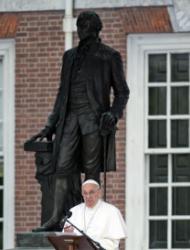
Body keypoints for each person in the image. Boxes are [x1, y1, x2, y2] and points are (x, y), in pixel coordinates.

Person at [33, 11, 129, 231]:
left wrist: (113, 114)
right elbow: (61, 94)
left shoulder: (109, 56)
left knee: (91, 172)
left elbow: (122, 92)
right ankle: (56, 217)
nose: (81, 30)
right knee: (61, 167)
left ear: (95, 29)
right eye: (79, 25)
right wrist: (50, 125)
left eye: (85, 26)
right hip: (69, 121)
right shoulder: (69, 57)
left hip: (93, 121)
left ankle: (90, 221)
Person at [64, 179, 127, 250]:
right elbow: (68, 239)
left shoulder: (112, 211)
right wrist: (68, 234)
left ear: (99, 192)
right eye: (85, 193)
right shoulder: (74, 211)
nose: (88, 196)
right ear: (82, 194)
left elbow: (114, 242)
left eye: (91, 192)